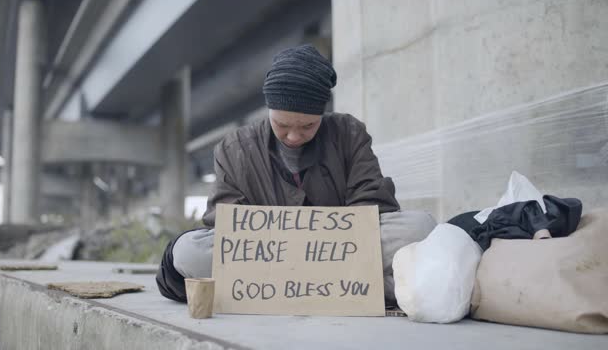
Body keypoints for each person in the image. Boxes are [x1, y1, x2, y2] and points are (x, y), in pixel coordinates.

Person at [156, 44, 436, 304]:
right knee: (188, 251)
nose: (293, 136)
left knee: (420, 227)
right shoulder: (234, 148)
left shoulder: (349, 133)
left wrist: (319, 243)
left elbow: (375, 204)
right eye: (282, 124)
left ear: (322, 115)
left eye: (307, 126)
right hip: (267, 256)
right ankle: (344, 288)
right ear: (269, 110)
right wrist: (287, 244)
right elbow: (225, 226)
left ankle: (286, 290)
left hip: (336, 252)